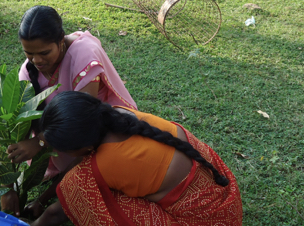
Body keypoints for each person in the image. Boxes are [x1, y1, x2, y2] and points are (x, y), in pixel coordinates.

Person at [3, 5, 137, 217]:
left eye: (44, 52)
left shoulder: (83, 54)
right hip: (63, 135)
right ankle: (62, 176)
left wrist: (39, 143)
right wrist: (8, 188)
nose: (36, 61)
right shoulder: (27, 72)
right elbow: (15, 130)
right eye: (28, 53)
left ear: (60, 41)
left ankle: (65, 181)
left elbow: (81, 125)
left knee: (98, 168)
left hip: (98, 128)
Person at [35, 92, 243, 226]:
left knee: (81, 190)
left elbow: (56, 213)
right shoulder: (119, 115)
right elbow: (78, 163)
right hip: (227, 200)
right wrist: (40, 200)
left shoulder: (102, 165)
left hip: (204, 221)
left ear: (86, 148)